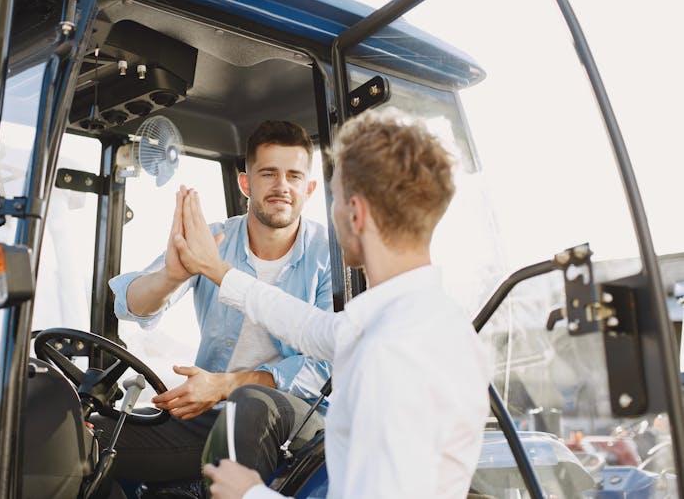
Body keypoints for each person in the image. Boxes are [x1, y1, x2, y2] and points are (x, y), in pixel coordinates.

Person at [174, 108, 492, 498]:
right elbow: (306, 325)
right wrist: (219, 270)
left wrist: (251, 494)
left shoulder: (395, 350)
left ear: (356, 213)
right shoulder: (405, 319)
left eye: (336, 198)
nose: (332, 213)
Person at [94, 121, 332, 485]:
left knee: (250, 404)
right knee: (89, 440)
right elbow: (129, 305)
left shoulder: (331, 256)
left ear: (309, 188)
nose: (282, 186)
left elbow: (323, 365)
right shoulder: (215, 239)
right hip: (214, 413)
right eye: (268, 173)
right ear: (245, 183)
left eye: (294, 176)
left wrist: (225, 385)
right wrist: (170, 277)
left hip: (303, 421)